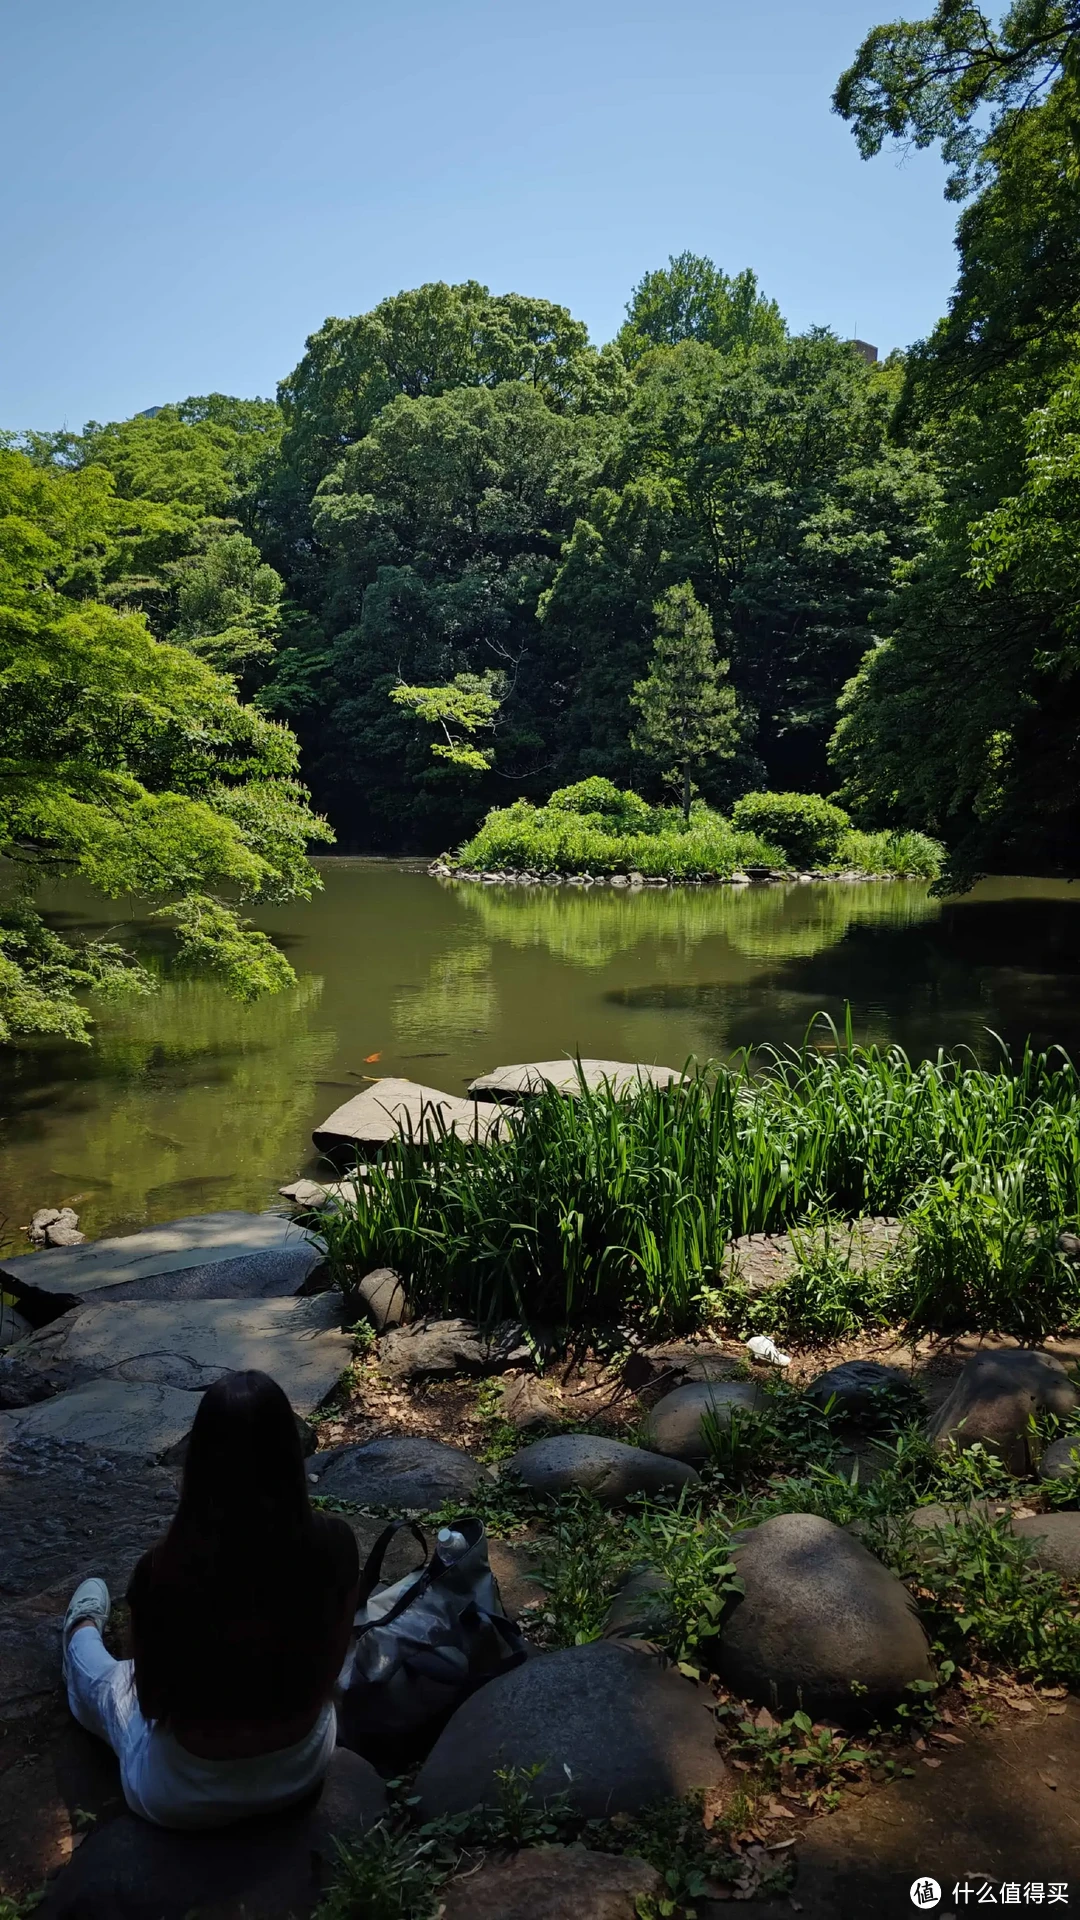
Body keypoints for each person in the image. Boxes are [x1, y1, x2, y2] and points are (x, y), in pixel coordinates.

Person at [62, 1369, 360, 1829]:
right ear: (289, 1454)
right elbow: (334, 1666)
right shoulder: (334, 1547)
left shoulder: (163, 1571)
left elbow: (150, 1703)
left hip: (181, 1793)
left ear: (198, 1461)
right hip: (300, 1769)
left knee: (106, 1683)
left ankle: (79, 1628)